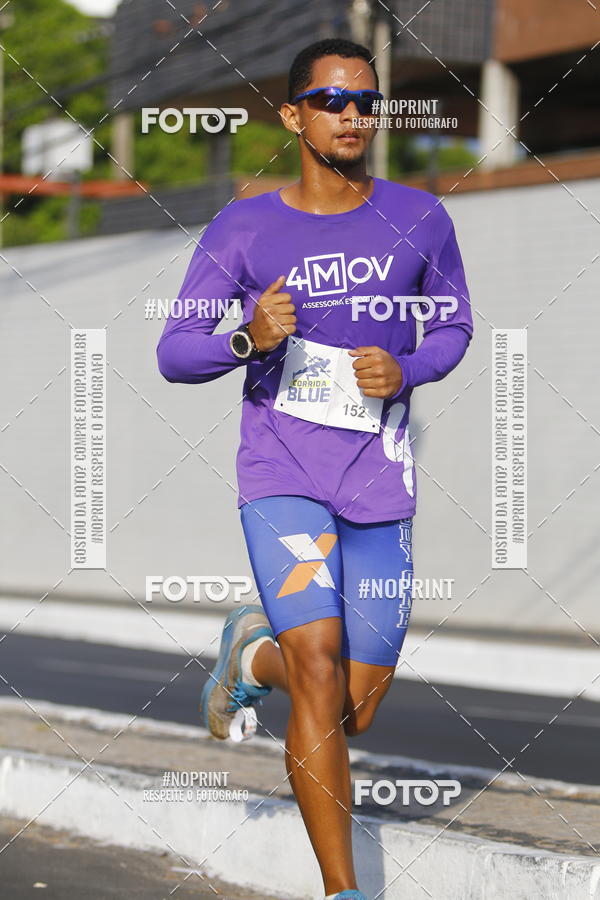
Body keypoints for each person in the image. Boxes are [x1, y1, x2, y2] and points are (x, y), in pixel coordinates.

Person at [157, 37, 473, 900]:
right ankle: (344, 891)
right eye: (332, 101)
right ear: (294, 115)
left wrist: (406, 368)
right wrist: (246, 338)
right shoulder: (246, 226)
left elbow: (453, 323)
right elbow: (176, 351)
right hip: (282, 473)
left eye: (365, 100)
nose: (352, 115)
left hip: (379, 481)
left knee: (352, 707)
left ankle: (244, 654)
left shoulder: (420, 216)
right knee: (321, 664)